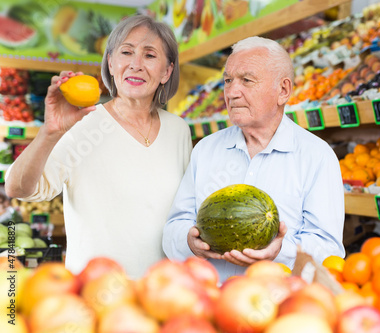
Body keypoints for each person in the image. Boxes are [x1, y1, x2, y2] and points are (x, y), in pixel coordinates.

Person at [5, 15, 192, 279]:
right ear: (111, 64)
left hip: (160, 294)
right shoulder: (82, 125)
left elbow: (184, 213)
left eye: (150, 55)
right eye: (126, 52)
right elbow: (18, 188)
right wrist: (50, 132)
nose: (136, 65)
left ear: (167, 71)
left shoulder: (178, 130)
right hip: (95, 293)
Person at [163, 36, 345, 281]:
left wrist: (280, 251)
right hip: (210, 301)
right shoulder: (205, 150)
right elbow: (174, 226)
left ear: (283, 90)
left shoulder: (317, 156)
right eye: (228, 81)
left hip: (280, 305)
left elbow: (329, 250)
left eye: (247, 80)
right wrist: (189, 241)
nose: (232, 92)